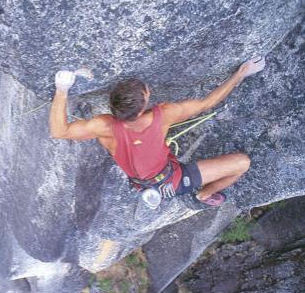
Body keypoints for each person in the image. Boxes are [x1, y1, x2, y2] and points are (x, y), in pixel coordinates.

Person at [49, 57, 266, 206]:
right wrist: (241, 73)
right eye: (147, 93)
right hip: (173, 180)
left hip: (147, 181)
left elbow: (61, 131)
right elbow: (206, 103)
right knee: (242, 164)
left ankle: (198, 190)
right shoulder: (163, 115)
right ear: (143, 107)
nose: (149, 91)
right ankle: (204, 194)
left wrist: (61, 90)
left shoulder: (104, 127)